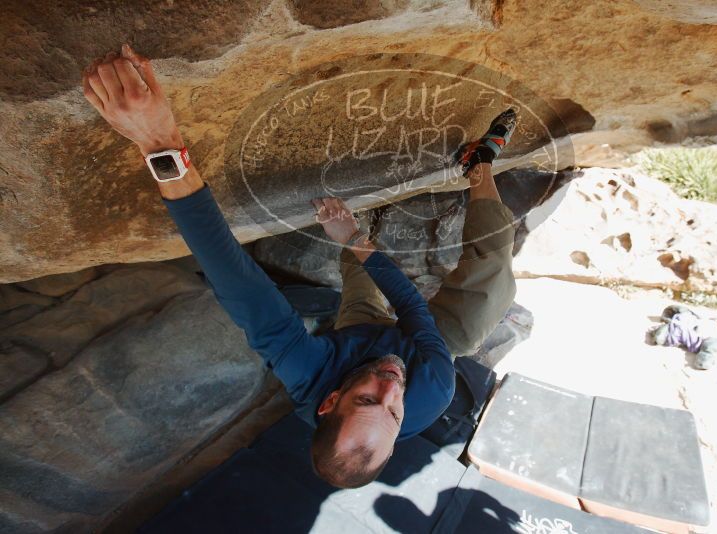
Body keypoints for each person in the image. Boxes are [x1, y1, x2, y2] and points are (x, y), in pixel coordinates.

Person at [81, 44, 516, 488]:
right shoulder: (430, 390)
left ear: (329, 401)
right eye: (393, 411)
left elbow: (238, 284)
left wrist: (160, 144)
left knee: (358, 278)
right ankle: (478, 163)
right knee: (495, 279)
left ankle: (359, 249)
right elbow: (412, 308)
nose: (391, 387)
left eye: (367, 400)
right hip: (428, 343)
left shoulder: (308, 375)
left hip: (359, 336)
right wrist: (356, 239)